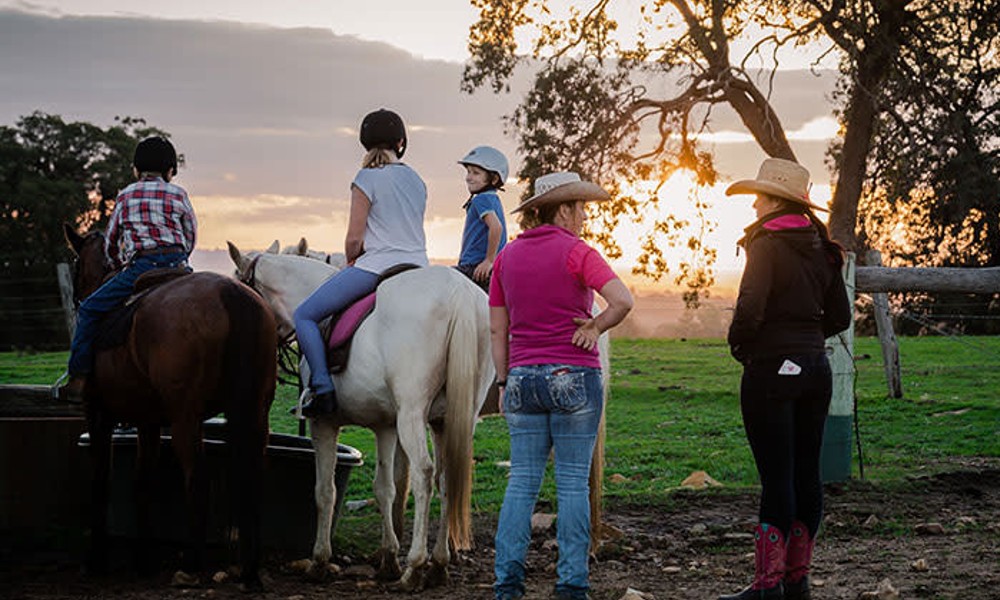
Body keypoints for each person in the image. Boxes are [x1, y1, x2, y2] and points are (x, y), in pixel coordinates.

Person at [490, 172, 634, 600]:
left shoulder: (506, 257)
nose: (585, 217)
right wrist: (595, 325)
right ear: (565, 209)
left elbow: (498, 330)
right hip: (573, 376)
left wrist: (503, 380)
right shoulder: (578, 252)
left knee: (521, 483)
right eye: (581, 208)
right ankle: (571, 584)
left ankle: (508, 583)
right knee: (572, 484)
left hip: (521, 378)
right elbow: (623, 300)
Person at [721, 158, 851, 600]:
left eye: (760, 195)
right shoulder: (824, 248)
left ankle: (767, 586)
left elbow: (750, 306)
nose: (754, 203)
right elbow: (841, 316)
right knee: (806, 473)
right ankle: (798, 579)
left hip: (771, 370)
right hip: (817, 369)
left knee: (776, 476)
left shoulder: (766, 244)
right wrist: (805, 340)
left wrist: (743, 347)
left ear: (775, 199)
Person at [293, 108, 428, 417]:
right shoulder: (417, 179)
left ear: (365, 143)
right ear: (401, 143)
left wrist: (353, 258)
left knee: (304, 316)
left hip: (376, 267)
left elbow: (354, 240)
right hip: (419, 267)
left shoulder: (366, 178)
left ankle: (323, 388)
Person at [59, 136, 195, 403]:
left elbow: (111, 242)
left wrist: (118, 261)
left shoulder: (126, 195)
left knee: (88, 309)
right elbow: (190, 234)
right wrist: (181, 258)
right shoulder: (179, 194)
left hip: (142, 267)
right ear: (170, 171)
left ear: (136, 169)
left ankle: (78, 378)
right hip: (178, 266)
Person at [455, 145, 509, 292]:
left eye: (476, 173)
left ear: (494, 178)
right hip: (490, 268)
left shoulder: (481, 199)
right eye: (468, 172)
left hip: (475, 267)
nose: (469, 177)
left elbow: (496, 227)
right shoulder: (493, 198)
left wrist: (488, 260)